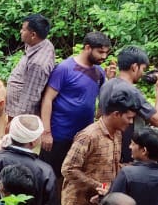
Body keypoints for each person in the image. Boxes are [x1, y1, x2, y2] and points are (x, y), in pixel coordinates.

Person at [39, 31, 111, 191]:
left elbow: (101, 101)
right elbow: (48, 99)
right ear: (87, 48)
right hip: (59, 134)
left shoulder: (99, 72)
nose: (104, 56)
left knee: (73, 174)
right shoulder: (64, 68)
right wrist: (46, 131)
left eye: (106, 52)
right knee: (50, 175)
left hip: (82, 137)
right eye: (100, 52)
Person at [60, 91, 136, 205]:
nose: (131, 122)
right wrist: (99, 186)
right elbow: (68, 169)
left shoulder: (118, 133)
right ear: (116, 114)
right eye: (129, 118)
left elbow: (110, 165)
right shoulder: (89, 136)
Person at [98, 45, 158, 162]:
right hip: (126, 150)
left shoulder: (107, 84)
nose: (143, 73)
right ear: (134, 67)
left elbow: (99, 113)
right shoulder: (131, 91)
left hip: (106, 145)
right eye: (142, 69)